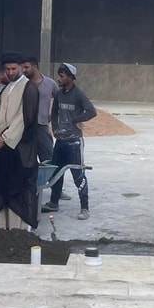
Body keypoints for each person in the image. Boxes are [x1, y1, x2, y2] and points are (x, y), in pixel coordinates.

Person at [0, 52, 40, 230]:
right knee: (2, 188)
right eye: (7, 69)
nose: (10, 72)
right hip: (3, 149)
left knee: (19, 191)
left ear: (20, 67)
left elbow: (25, 118)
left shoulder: (29, 88)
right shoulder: (6, 89)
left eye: (13, 69)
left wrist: (4, 139)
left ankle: (18, 231)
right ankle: (1, 228)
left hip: (20, 150)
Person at [42, 63, 96, 220]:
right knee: (56, 173)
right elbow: (54, 112)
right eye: (59, 76)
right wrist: (55, 128)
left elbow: (91, 111)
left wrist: (76, 120)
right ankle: (54, 202)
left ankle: (84, 208)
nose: (59, 79)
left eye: (62, 76)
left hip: (74, 143)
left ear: (71, 78)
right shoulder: (59, 95)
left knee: (78, 175)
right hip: (60, 141)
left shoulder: (79, 95)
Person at [22, 56, 58, 163]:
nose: (24, 70)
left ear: (35, 66)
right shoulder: (23, 84)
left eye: (26, 67)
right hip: (25, 128)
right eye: (23, 68)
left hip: (42, 126)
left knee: (48, 159)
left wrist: (52, 116)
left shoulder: (50, 84)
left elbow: (59, 101)